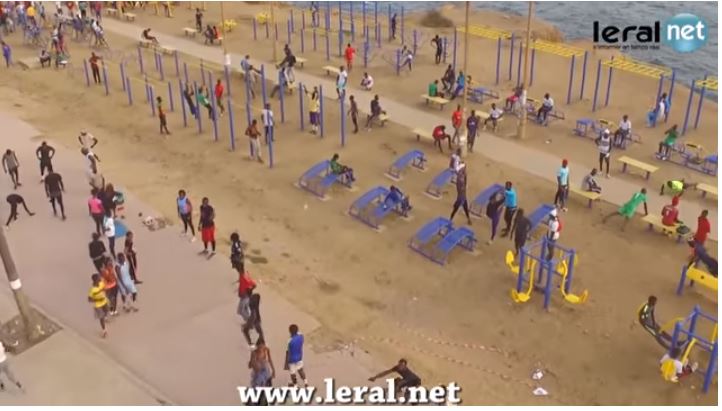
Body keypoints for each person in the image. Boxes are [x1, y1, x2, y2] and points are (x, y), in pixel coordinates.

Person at [249, 338, 275, 405]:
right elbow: (251, 364)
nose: (261, 348)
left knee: (266, 386)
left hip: (265, 370)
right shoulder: (254, 352)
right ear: (257, 346)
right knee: (257, 386)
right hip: (258, 371)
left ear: (264, 345)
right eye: (259, 346)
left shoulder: (266, 350)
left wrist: (273, 370)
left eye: (262, 346)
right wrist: (254, 364)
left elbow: (270, 360)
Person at [88, 273, 109, 338]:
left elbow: (105, 289)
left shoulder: (101, 283)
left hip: (104, 302)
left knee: (106, 311)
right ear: (95, 280)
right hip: (98, 305)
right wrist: (98, 300)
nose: (100, 278)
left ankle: (105, 317)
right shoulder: (92, 290)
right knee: (101, 318)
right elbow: (89, 300)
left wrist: (105, 291)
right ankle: (104, 330)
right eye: (98, 278)